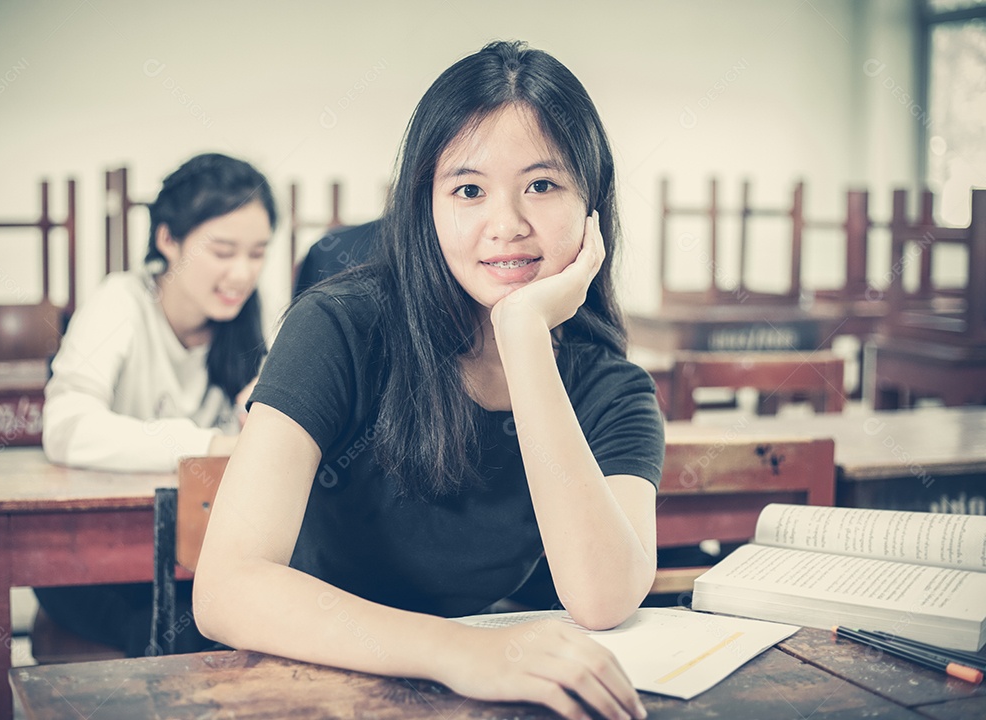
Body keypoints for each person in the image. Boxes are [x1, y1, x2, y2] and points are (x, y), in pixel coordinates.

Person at [195, 41, 662, 720]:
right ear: (424, 206)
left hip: (479, 698)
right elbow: (227, 588)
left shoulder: (612, 390)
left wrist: (524, 335)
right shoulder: (336, 328)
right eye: (468, 190)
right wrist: (462, 656)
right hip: (312, 681)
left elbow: (602, 597)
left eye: (542, 184)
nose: (506, 225)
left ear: (593, 206)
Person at [38, 152, 277, 656]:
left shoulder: (252, 325)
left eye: (257, 254)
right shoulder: (121, 303)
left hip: (197, 556)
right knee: (186, 637)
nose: (241, 273)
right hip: (92, 557)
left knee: (239, 624)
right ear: (168, 240)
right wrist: (211, 445)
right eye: (222, 250)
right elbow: (65, 426)